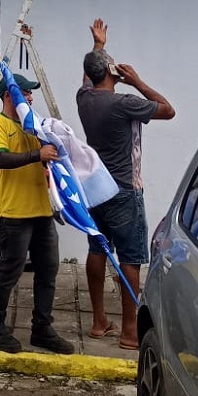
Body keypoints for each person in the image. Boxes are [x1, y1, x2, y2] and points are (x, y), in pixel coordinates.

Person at [76, 19, 175, 350]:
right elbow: (168, 110)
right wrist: (137, 81)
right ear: (110, 73)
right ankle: (130, 332)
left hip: (95, 189)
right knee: (130, 258)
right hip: (124, 192)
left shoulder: (84, 98)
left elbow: (89, 76)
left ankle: (98, 321)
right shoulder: (125, 103)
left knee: (96, 250)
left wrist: (98, 47)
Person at [0, 73, 74, 355]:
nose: (31, 97)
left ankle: (42, 328)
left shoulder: (35, 126)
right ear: (9, 95)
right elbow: (0, 159)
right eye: (25, 92)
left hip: (42, 211)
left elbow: (55, 156)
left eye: (32, 93)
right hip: (14, 213)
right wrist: (38, 155)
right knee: (9, 272)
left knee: (48, 271)